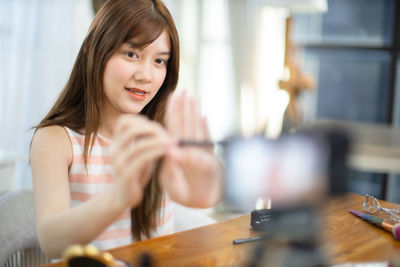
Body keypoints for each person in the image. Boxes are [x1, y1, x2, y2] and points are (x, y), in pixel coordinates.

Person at [30, 0, 222, 259]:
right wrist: (118, 198)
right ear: (91, 48)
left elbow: (203, 197)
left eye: (159, 61)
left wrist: (207, 181)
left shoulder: (163, 135)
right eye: (132, 54)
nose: (146, 75)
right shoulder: (56, 140)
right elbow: (51, 240)